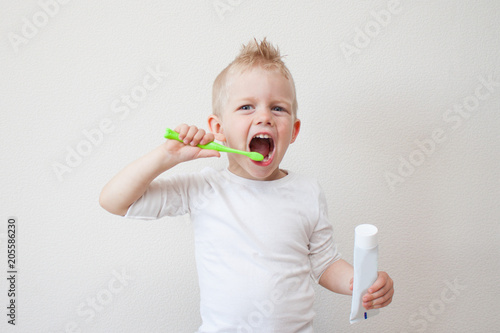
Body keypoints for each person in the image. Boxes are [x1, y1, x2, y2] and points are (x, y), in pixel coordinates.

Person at [99, 38, 394, 332]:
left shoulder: (308, 192)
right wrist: (166, 156)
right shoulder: (203, 187)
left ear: (294, 130)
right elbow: (114, 201)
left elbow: (325, 264)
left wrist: (361, 283)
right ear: (219, 129)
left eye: (278, 108)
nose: (264, 117)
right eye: (246, 107)